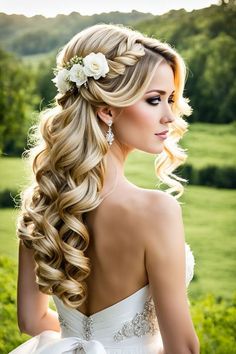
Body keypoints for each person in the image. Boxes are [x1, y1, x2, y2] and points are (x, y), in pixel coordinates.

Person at [9, 23, 200, 354]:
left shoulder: (41, 203)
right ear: (108, 109)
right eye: (155, 100)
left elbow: (31, 319)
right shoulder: (157, 211)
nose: (170, 115)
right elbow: (182, 347)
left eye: (170, 99)